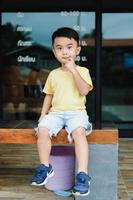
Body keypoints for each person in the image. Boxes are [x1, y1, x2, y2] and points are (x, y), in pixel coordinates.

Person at [31, 27, 93, 196]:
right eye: (59, 48)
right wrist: (43, 115)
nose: (65, 52)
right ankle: (45, 166)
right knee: (42, 130)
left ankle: (82, 174)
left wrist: (73, 70)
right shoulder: (53, 74)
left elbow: (84, 91)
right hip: (56, 113)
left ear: (77, 50)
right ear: (54, 51)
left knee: (79, 132)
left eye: (69, 47)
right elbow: (49, 96)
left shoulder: (82, 71)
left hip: (76, 113)